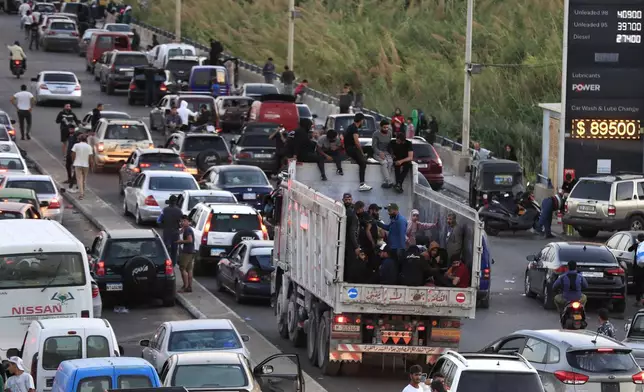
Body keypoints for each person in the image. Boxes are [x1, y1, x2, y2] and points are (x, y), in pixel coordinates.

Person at [344, 113, 372, 191]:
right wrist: (362, 153)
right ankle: (362, 184)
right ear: (361, 120)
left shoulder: (351, 127)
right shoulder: (354, 129)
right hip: (351, 149)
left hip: (350, 148)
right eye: (363, 121)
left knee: (369, 148)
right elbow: (357, 142)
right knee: (363, 163)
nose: (363, 122)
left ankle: (366, 157)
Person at [342, 193, 363, 283]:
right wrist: (356, 246)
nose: (348, 201)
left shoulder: (349, 211)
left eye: (349, 199)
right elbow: (352, 232)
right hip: (349, 242)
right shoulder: (352, 215)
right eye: (346, 200)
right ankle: (349, 280)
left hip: (346, 241)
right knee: (350, 262)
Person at [157, 195, 183, 265]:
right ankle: (173, 265)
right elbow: (182, 223)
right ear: (175, 202)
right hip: (175, 233)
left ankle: (166, 263)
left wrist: (163, 226)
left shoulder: (165, 210)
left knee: (166, 249)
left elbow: (158, 220)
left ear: (169, 201)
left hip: (167, 232)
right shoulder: (179, 211)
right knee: (174, 251)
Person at [372, 119, 394, 188]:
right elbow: (374, 146)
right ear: (380, 127)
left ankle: (385, 182)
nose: (386, 129)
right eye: (384, 127)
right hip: (377, 152)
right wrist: (379, 153)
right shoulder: (376, 134)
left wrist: (392, 154)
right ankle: (389, 180)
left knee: (390, 162)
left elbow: (390, 145)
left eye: (387, 127)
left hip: (386, 152)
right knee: (384, 163)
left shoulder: (390, 133)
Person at [176, 215, 195, 292]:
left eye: (184, 221)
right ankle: (189, 287)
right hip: (191, 251)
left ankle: (185, 287)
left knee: (182, 268)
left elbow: (190, 240)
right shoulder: (187, 229)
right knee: (189, 269)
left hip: (186, 251)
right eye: (181, 221)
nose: (182, 222)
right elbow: (181, 232)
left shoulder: (188, 230)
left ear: (188, 221)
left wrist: (180, 242)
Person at [71, 134, 93, 199]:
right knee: (84, 179)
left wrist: (73, 162)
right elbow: (90, 158)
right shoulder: (89, 147)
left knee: (79, 179)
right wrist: (91, 166)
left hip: (77, 164)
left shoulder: (76, 145)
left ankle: (81, 194)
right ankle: (83, 191)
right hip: (86, 165)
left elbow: (73, 154)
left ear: (79, 139)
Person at [628, 233, 644, 306]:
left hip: (638, 268)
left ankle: (638, 300)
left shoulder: (637, 246)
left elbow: (629, 249)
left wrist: (636, 243)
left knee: (638, 284)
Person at [64, 125, 81, 190]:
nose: (70, 130)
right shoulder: (69, 136)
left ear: (74, 129)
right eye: (70, 129)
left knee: (75, 167)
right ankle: (69, 178)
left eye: (72, 129)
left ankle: (74, 180)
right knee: (67, 166)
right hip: (69, 153)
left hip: (73, 154)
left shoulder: (76, 136)